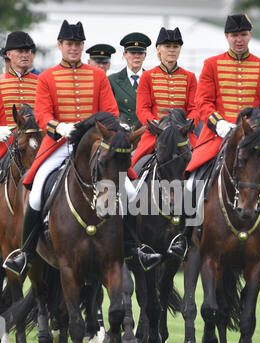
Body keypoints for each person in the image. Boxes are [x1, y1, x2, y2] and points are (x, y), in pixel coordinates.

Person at [4, 20, 160, 277]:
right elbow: (42, 114)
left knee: (131, 193)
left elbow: (110, 111)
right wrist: (58, 127)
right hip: (59, 143)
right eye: (69, 44)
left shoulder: (97, 76)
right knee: (34, 193)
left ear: (82, 46)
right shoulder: (47, 77)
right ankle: (26, 253)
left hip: (94, 146)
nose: (74, 48)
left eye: (77, 44)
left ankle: (135, 247)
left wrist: (114, 125)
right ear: (60, 45)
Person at [185, 13, 260, 265]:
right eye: (234, 35)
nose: (239, 39)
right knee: (191, 182)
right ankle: (183, 240)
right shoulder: (211, 64)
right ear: (227, 36)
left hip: (255, 141)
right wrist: (219, 123)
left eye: (243, 34)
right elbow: (202, 102)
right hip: (220, 136)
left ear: (250, 35)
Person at [129, 27, 200, 260]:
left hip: (183, 139)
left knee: (202, 177)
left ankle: (193, 231)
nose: (172, 50)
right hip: (155, 137)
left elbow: (195, 108)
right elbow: (142, 108)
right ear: (158, 50)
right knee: (133, 173)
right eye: (168, 47)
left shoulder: (190, 77)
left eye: (175, 47)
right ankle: (128, 235)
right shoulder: (148, 77)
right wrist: (156, 125)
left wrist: (187, 124)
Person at [0, 31, 38, 159]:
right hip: (4, 147)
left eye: (27, 51)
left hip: (34, 147)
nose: (25, 55)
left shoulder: (40, 82)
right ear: (9, 54)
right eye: (20, 51)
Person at [108, 32, 151, 129]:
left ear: (145, 55)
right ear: (125, 54)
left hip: (147, 131)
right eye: (132, 52)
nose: (136, 56)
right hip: (121, 132)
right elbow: (109, 109)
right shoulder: (112, 80)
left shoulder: (153, 79)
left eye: (140, 53)